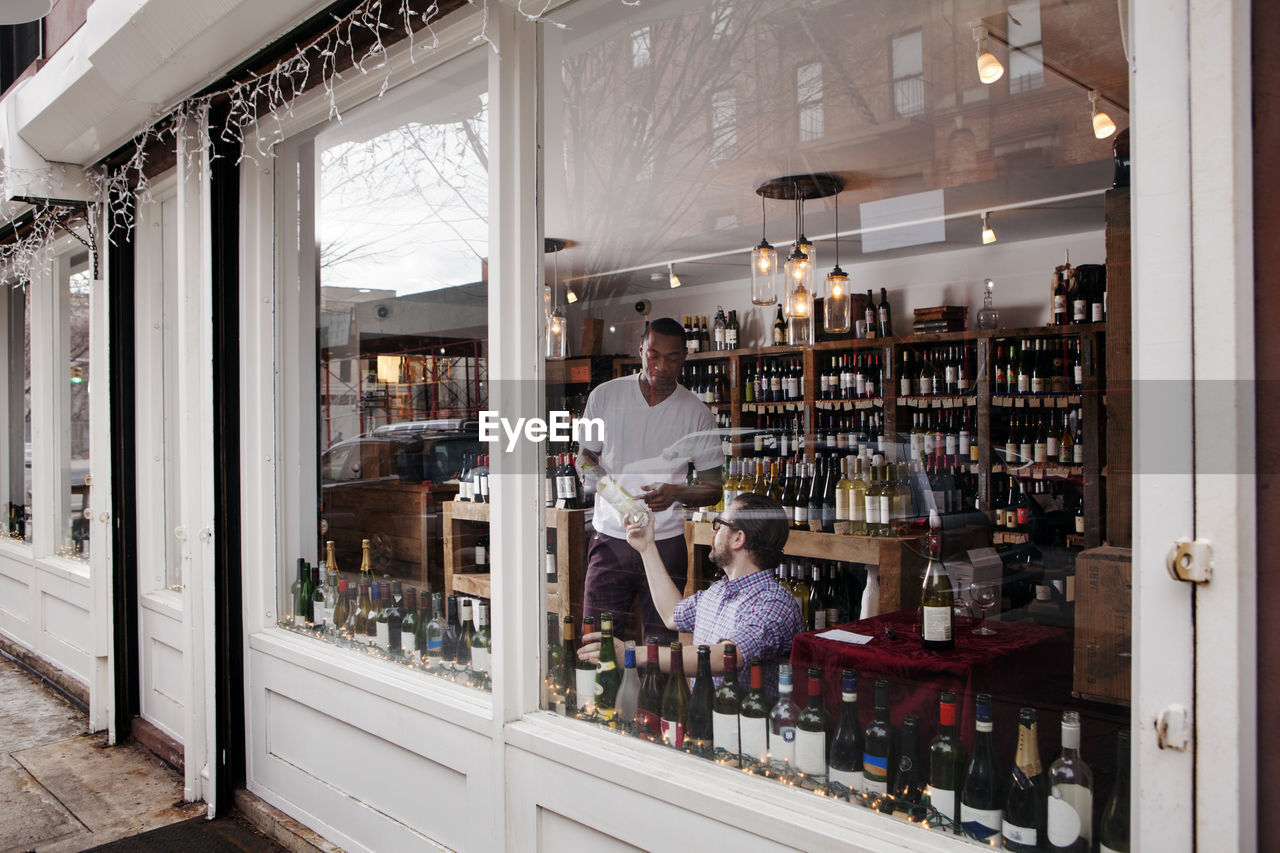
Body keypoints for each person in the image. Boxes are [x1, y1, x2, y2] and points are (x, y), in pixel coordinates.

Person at [577, 317, 723, 644]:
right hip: (610, 540)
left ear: (684, 357)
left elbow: (714, 489)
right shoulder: (605, 396)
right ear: (641, 349)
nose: (660, 365)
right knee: (595, 643)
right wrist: (611, 493)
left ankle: (654, 697)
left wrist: (677, 493)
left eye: (671, 358)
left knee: (661, 648)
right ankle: (599, 697)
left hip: (666, 544)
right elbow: (584, 459)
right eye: (653, 354)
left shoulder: (697, 413)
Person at [580, 493, 805, 688]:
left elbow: (727, 657)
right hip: (706, 724)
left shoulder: (773, 603)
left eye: (719, 524)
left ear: (738, 538)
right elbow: (672, 614)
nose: (713, 531)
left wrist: (633, 654)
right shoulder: (718, 591)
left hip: (747, 731)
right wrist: (647, 548)